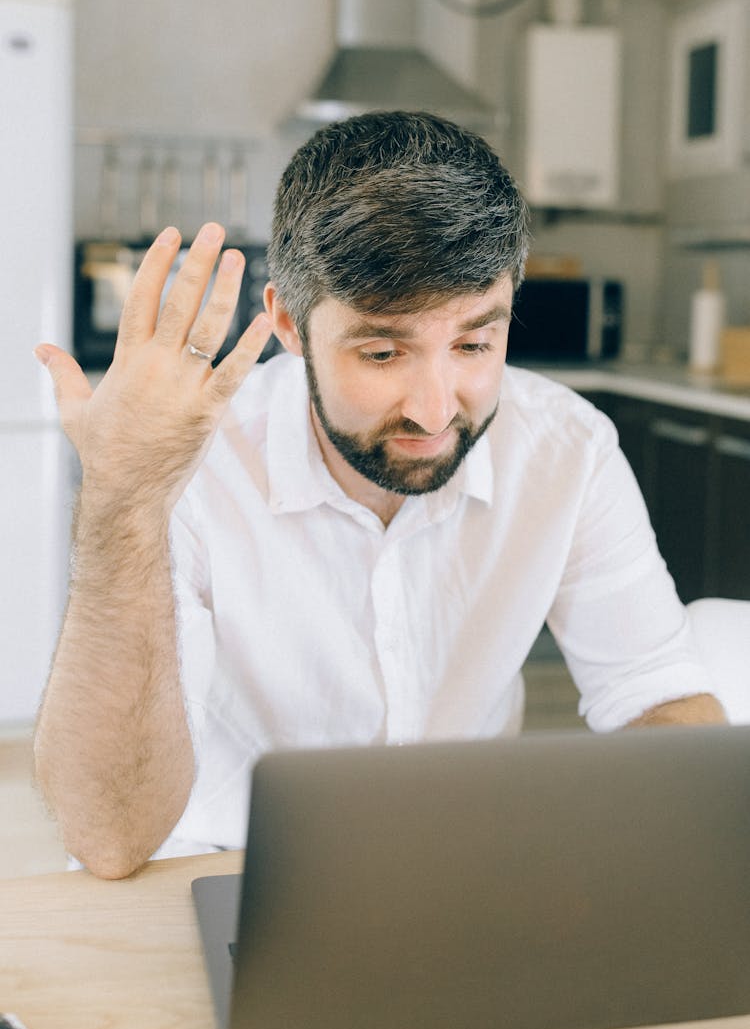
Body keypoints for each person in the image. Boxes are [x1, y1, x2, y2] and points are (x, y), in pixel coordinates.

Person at [33, 112, 724, 880]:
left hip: (461, 882)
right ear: (291, 325)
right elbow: (109, 836)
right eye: (384, 350)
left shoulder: (569, 451)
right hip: (219, 868)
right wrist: (124, 503)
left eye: (472, 343)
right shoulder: (193, 466)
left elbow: (654, 693)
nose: (435, 409)